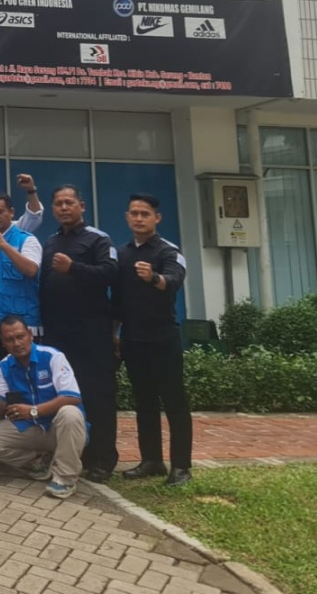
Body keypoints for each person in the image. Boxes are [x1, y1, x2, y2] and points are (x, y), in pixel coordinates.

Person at [40, 184, 119, 482]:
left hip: (91, 332)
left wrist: (74, 267)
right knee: (66, 395)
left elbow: (111, 274)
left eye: (69, 203)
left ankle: (103, 459)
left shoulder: (98, 239)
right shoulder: (50, 242)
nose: (63, 208)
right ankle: (77, 454)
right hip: (58, 333)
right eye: (58, 204)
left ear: (81, 206)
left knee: (97, 395)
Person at [114, 194, 192, 487]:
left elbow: (174, 280)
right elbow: (118, 300)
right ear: (127, 217)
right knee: (144, 401)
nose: (138, 218)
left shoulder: (169, 251)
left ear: (156, 218)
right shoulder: (121, 254)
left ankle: (181, 467)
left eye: (144, 214)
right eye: (134, 213)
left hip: (163, 339)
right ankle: (151, 460)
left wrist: (153, 277)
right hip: (133, 339)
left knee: (174, 402)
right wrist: (113, 332)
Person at [0, 316, 87, 500]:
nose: (17, 343)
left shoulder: (52, 356)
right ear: (3, 342)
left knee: (70, 413)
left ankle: (65, 479)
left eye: (20, 336)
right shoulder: (4, 366)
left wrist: (33, 410)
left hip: (60, 428)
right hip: (31, 428)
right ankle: (39, 462)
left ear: (30, 335)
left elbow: (72, 397)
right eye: (9, 340)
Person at [0, 192, 42, 340]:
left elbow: (31, 270)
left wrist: (3, 245)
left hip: (24, 321)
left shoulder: (27, 239)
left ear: (11, 212)